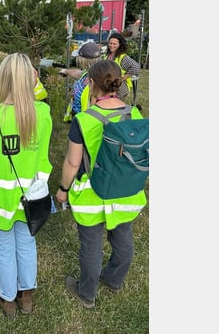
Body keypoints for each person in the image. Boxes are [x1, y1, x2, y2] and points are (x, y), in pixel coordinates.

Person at [54, 59, 146, 310]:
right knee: (124, 239)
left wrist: (63, 190)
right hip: (126, 192)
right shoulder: (134, 112)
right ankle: (114, 279)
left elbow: (73, 163)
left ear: (91, 83)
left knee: (92, 246)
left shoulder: (84, 120)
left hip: (92, 195)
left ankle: (87, 293)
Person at [0, 52, 53, 318]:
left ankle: (8, 299)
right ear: (31, 77)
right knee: (26, 243)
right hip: (31, 197)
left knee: (4, 248)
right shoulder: (42, 113)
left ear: (3, 79)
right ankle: (27, 296)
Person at [58, 41, 103, 121]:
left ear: (85, 60)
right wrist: (66, 71)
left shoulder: (96, 81)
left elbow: (94, 107)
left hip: (86, 121)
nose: (77, 59)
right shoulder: (88, 73)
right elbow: (79, 74)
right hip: (78, 116)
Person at [103, 32, 140, 100]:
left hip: (119, 87)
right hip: (109, 86)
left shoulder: (123, 57)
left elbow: (136, 67)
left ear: (120, 45)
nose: (112, 45)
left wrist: (123, 78)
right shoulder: (107, 56)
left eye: (115, 44)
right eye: (110, 43)